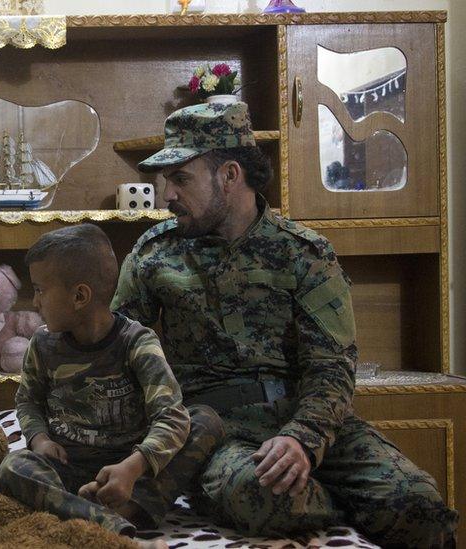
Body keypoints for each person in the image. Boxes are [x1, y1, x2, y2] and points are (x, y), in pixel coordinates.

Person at [111, 101, 458, 547]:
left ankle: (359, 500)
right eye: (166, 181)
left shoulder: (304, 253)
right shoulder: (154, 253)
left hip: (306, 416)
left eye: (180, 178)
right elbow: (119, 351)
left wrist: (302, 440)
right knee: (260, 494)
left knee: (417, 503)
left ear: (230, 175)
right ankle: (350, 506)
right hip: (217, 429)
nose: (168, 195)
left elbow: (332, 367)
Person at [0, 224, 223, 539]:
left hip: (132, 466)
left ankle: (118, 505)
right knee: (12, 466)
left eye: (39, 290)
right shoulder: (43, 343)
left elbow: (171, 416)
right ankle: (108, 518)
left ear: (79, 296)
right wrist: (39, 440)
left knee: (205, 421)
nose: (34, 302)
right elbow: (28, 400)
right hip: (70, 467)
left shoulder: (137, 343)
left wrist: (133, 466)